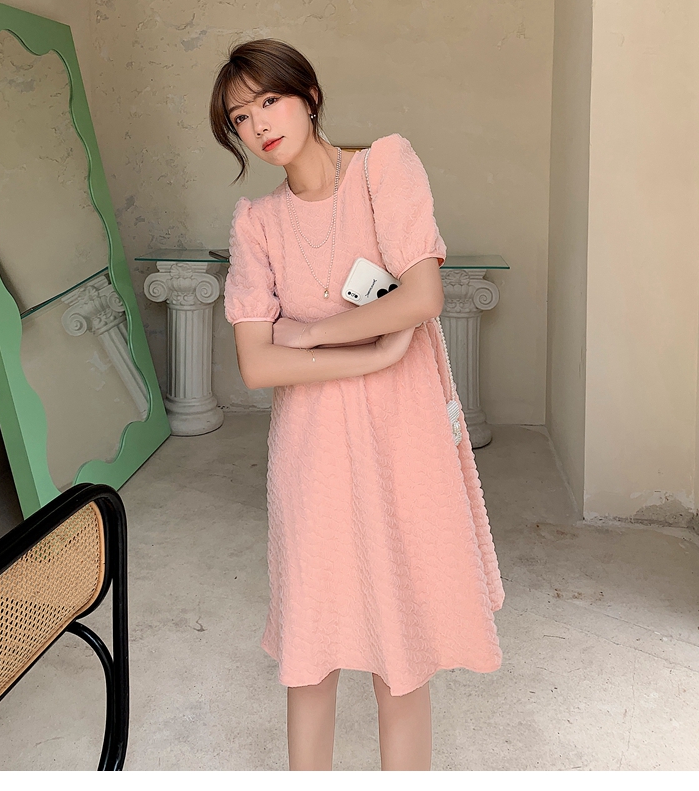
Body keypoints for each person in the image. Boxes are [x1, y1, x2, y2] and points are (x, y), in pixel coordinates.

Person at [209, 39, 505, 771]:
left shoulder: (383, 168)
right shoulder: (255, 222)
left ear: (308, 95)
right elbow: (256, 363)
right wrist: (373, 351)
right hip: (312, 444)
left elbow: (423, 296)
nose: (258, 125)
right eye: (240, 118)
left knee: (402, 648)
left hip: (404, 433)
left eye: (269, 101)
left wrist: (310, 334)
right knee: (310, 646)